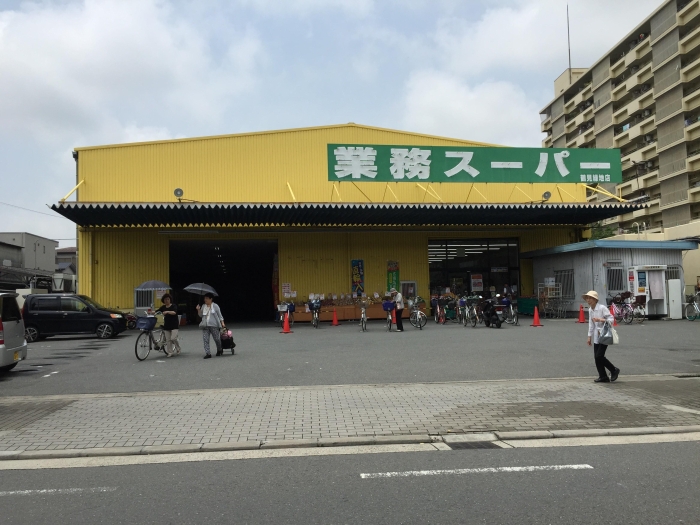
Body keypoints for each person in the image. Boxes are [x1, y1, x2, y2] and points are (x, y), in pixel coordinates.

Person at [584, 290, 620, 383]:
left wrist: (600, 319)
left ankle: (613, 370)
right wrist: (589, 336)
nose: (588, 300)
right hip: (597, 335)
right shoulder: (590, 310)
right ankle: (603, 376)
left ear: (595, 299)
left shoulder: (602, 308)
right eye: (587, 298)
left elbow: (611, 319)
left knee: (599, 356)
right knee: (596, 357)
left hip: (604, 334)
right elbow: (591, 324)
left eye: (590, 298)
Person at [196, 293, 226, 359]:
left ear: (211, 299)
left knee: (217, 339)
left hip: (214, 325)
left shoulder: (215, 306)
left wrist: (222, 323)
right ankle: (208, 353)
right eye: (205, 298)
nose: (205, 300)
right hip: (205, 325)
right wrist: (198, 309)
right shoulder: (203, 306)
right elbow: (200, 315)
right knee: (205, 339)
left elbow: (220, 315)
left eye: (207, 298)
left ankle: (219, 349)